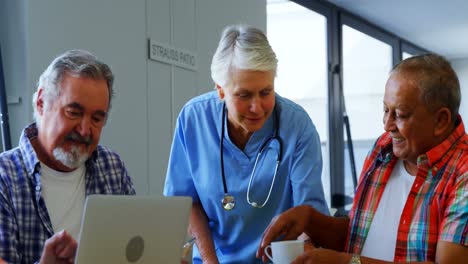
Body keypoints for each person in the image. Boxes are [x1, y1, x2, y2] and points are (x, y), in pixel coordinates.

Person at [257, 53, 468, 263]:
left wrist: (346, 262)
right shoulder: (382, 150)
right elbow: (358, 235)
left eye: (401, 114)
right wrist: (311, 219)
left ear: (440, 120)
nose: (387, 124)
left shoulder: (463, 172)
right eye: (386, 110)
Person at [164, 24, 329, 263]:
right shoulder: (193, 119)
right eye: (244, 95)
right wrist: (211, 261)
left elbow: (309, 213)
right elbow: (186, 202)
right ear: (221, 91)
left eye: (266, 92)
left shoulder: (297, 125)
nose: (257, 107)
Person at [0, 50, 136, 263]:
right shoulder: (4, 177)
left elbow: (132, 249)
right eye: (73, 113)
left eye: (97, 119)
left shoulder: (112, 168)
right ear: (41, 102)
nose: (84, 130)